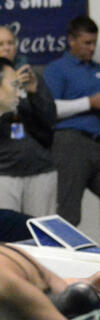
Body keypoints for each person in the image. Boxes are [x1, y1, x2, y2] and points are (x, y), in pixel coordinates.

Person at [43, 16, 100, 249]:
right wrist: (89, 102)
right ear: (71, 41)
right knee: (69, 216)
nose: (92, 48)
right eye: (86, 43)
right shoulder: (57, 70)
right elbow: (49, 110)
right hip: (70, 144)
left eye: (94, 43)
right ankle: (62, 271)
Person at [0, 27, 57, 216]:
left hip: (38, 168)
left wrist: (34, 92)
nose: (6, 48)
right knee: (7, 236)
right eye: (1, 44)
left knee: (40, 234)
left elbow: (49, 121)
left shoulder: (30, 76)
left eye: (10, 43)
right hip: (5, 172)